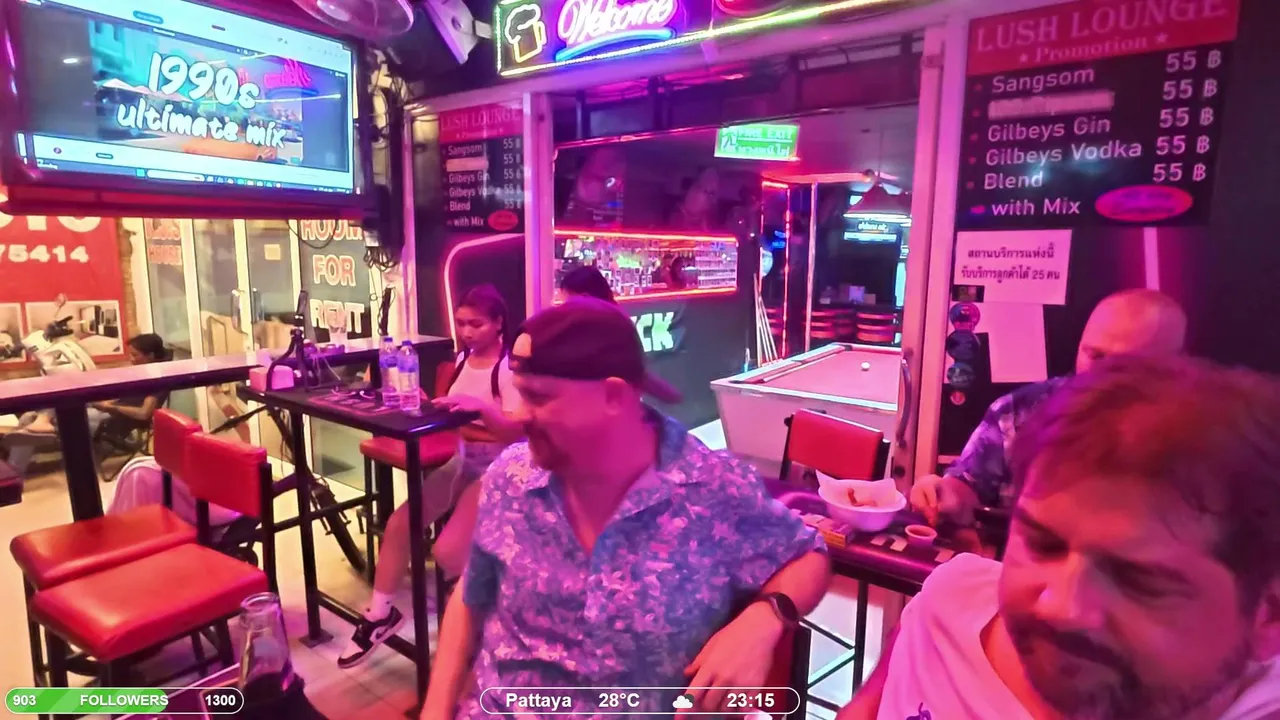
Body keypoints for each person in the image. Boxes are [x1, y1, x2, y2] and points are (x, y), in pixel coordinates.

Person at [421, 298, 832, 720]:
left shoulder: (710, 487)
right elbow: (471, 597)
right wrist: (434, 712)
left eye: (538, 397)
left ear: (613, 396)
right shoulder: (511, 479)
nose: (518, 414)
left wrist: (765, 619)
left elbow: (808, 555)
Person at [840, 354, 1280, 720]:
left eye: (1138, 580)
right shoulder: (949, 598)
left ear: (1269, 616)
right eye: (1043, 544)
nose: (1060, 607)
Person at [338, 284, 523, 670]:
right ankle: (381, 613)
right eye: (461, 322)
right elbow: (451, 417)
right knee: (400, 523)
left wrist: (474, 413)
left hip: (498, 469)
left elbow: (514, 434)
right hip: (462, 461)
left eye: (476, 324)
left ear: (498, 323)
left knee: (447, 552)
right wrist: (430, 406)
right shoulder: (461, 360)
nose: (467, 331)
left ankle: (490, 614)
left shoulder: (507, 368)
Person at [911, 289, 1187, 525]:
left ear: (1171, 367)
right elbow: (969, 487)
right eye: (1096, 355)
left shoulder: (1195, 436)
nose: (1103, 374)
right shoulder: (1019, 412)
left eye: (1126, 365)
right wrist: (944, 495)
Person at [4, 333, 171, 478]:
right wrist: (107, 399)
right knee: (35, 412)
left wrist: (110, 407)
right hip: (106, 409)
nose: (131, 359)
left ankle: (17, 470)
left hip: (113, 420)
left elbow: (143, 414)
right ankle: (15, 469)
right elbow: (124, 397)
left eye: (135, 355)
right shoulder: (141, 372)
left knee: (55, 409)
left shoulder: (157, 379)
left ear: (150, 355)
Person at [560, 265, 683, 404]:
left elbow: (633, 374)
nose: (564, 307)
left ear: (585, 297)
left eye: (568, 301)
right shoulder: (610, 321)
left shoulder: (607, 326)